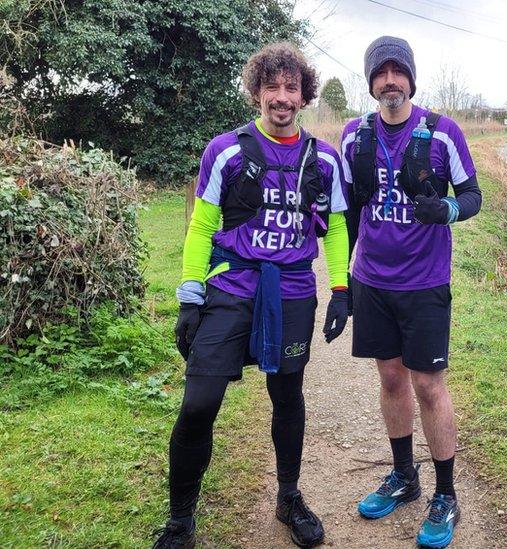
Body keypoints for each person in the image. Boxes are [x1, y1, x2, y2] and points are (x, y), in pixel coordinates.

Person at [152, 42, 350, 549]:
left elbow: (334, 227)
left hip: (291, 292)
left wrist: (340, 290)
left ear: (304, 96)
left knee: (287, 396)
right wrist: (191, 297)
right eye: (271, 87)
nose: (281, 97)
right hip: (230, 289)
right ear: (256, 92)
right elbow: (202, 225)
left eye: (291, 87)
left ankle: (288, 497)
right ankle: (180, 520)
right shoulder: (226, 150)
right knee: (198, 404)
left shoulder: (324, 159)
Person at [340, 36, 482, 549]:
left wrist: (445, 210)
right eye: (381, 73)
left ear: (411, 80)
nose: (390, 81)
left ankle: (446, 494)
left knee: (429, 384)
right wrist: (345, 281)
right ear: (372, 82)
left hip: (424, 283)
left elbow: (472, 197)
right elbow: (347, 210)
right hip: (373, 280)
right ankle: (404, 476)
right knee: (391, 378)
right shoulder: (353, 136)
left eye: (398, 72)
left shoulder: (443, 134)